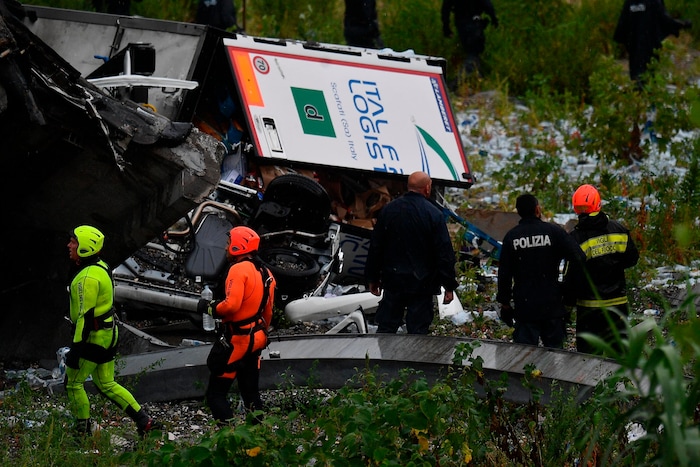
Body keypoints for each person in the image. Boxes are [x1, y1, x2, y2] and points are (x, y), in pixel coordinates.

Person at [65, 225, 162, 437]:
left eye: (74, 242)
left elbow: (85, 318)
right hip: (109, 333)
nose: (69, 245)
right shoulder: (101, 265)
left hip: (94, 338)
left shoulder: (87, 277)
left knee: (72, 384)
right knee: (106, 383)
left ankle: (82, 432)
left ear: (85, 248)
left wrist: (75, 350)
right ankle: (144, 421)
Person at [198, 226, 276, 424]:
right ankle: (256, 442)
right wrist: (261, 333)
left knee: (216, 395)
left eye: (228, 243)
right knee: (251, 395)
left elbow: (230, 306)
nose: (225, 248)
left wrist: (209, 307)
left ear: (237, 246)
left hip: (237, 342)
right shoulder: (266, 273)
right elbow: (268, 312)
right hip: (257, 339)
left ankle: (230, 438)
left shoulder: (238, 269)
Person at [365, 171, 459, 335]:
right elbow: (444, 253)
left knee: (386, 328)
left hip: (393, 280)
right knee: (418, 331)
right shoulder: (433, 214)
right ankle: (412, 359)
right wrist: (449, 285)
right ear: (427, 188)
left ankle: (381, 359)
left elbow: (376, 246)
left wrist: (373, 277)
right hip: (423, 283)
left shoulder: (388, 210)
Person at [497, 194, 586, 349]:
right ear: (537, 209)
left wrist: (505, 303)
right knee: (555, 355)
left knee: (523, 358)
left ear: (518, 212)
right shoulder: (553, 232)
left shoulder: (512, 237)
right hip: (552, 304)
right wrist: (568, 290)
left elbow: (504, 273)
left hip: (525, 307)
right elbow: (579, 257)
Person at [564, 184, 639, 355]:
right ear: (599, 204)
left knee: (588, 358)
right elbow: (632, 258)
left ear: (576, 208)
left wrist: (567, 306)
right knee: (620, 355)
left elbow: (571, 277)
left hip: (589, 310)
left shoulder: (575, 239)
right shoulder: (618, 229)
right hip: (617, 306)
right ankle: (622, 383)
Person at [613, 0, 691, 85]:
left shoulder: (630, 2)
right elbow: (665, 20)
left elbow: (622, 25)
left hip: (634, 47)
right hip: (650, 46)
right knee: (649, 78)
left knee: (637, 77)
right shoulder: (654, 1)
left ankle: (637, 93)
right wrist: (683, 24)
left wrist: (625, 44)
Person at [441, 0, 499, 76]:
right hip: (474, 23)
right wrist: (494, 18)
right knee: (474, 52)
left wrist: (446, 27)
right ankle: (462, 80)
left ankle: (474, 77)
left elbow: (446, 8)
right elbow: (487, 4)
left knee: (471, 52)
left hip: (461, 23)